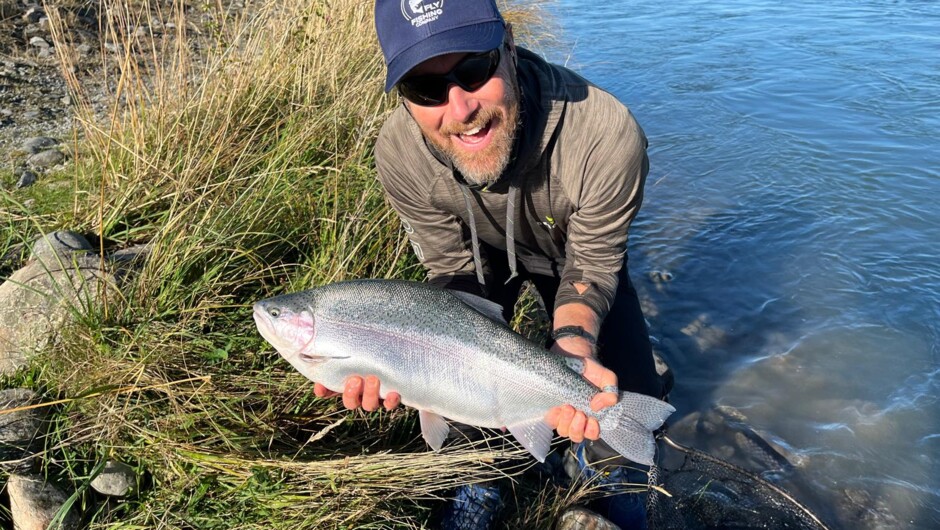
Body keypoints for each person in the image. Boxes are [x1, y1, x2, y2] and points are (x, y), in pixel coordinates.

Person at [314, 1, 667, 528]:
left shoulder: (604, 134)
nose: (458, 109)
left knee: (625, 394)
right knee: (452, 380)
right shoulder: (398, 153)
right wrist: (408, 363)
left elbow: (592, 264)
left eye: (474, 71)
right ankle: (480, 475)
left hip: (572, 257)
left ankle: (609, 479)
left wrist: (571, 348)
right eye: (425, 90)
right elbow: (448, 266)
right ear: (404, 97)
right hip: (477, 265)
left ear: (507, 47)